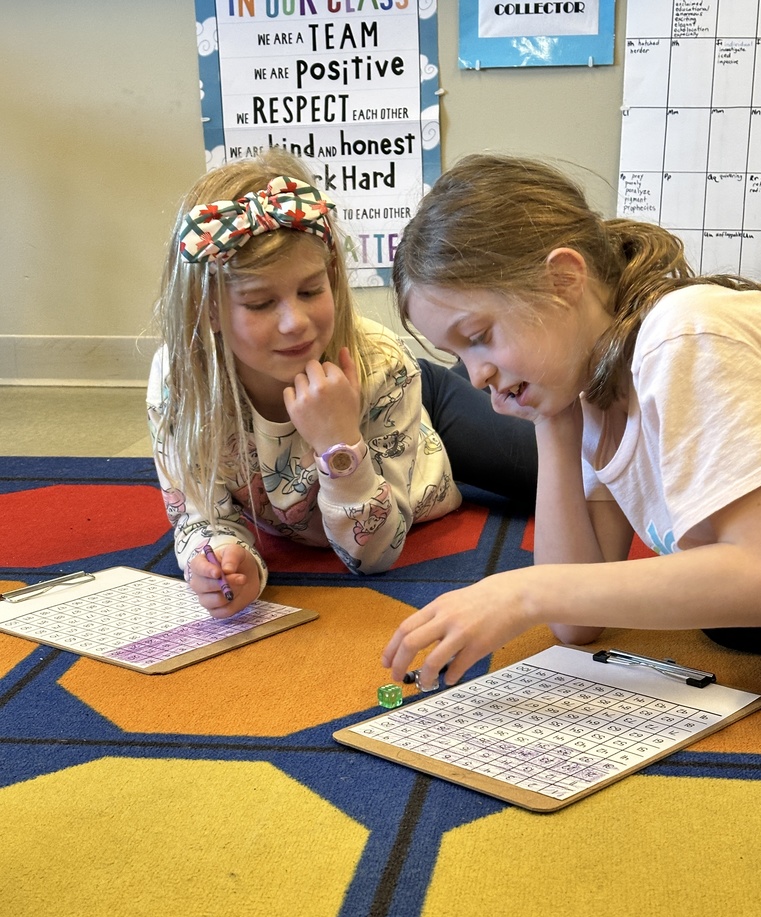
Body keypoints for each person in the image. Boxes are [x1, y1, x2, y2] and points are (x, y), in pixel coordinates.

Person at [382, 152, 761, 689]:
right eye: (459, 355)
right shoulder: (595, 383)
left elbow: (760, 571)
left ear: (564, 279)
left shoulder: (682, 335)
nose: (476, 375)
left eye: (478, 337)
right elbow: (576, 622)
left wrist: (525, 593)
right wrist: (554, 426)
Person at [148, 151, 537, 618]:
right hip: (390, 404)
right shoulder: (180, 380)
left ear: (332, 277)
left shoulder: (382, 362)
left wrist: (338, 442)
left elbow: (374, 555)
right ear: (208, 307)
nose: (295, 322)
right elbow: (201, 518)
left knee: (568, 467)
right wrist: (223, 559)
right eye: (261, 303)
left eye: (311, 290)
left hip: (410, 403)